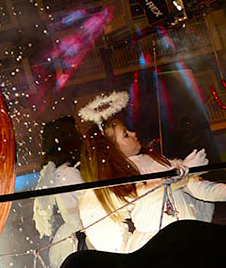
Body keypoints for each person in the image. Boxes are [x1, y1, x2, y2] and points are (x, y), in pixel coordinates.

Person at [77, 90, 225, 254]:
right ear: (113, 150)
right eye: (126, 135)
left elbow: (196, 187)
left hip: (189, 235)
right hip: (157, 247)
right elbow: (143, 192)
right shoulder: (121, 178)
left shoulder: (157, 161)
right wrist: (183, 172)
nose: (133, 134)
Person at [32, 116, 89, 268]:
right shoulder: (67, 173)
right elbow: (90, 201)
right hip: (82, 233)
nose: (81, 135)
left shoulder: (60, 171)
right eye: (76, 131)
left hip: (76, 232)